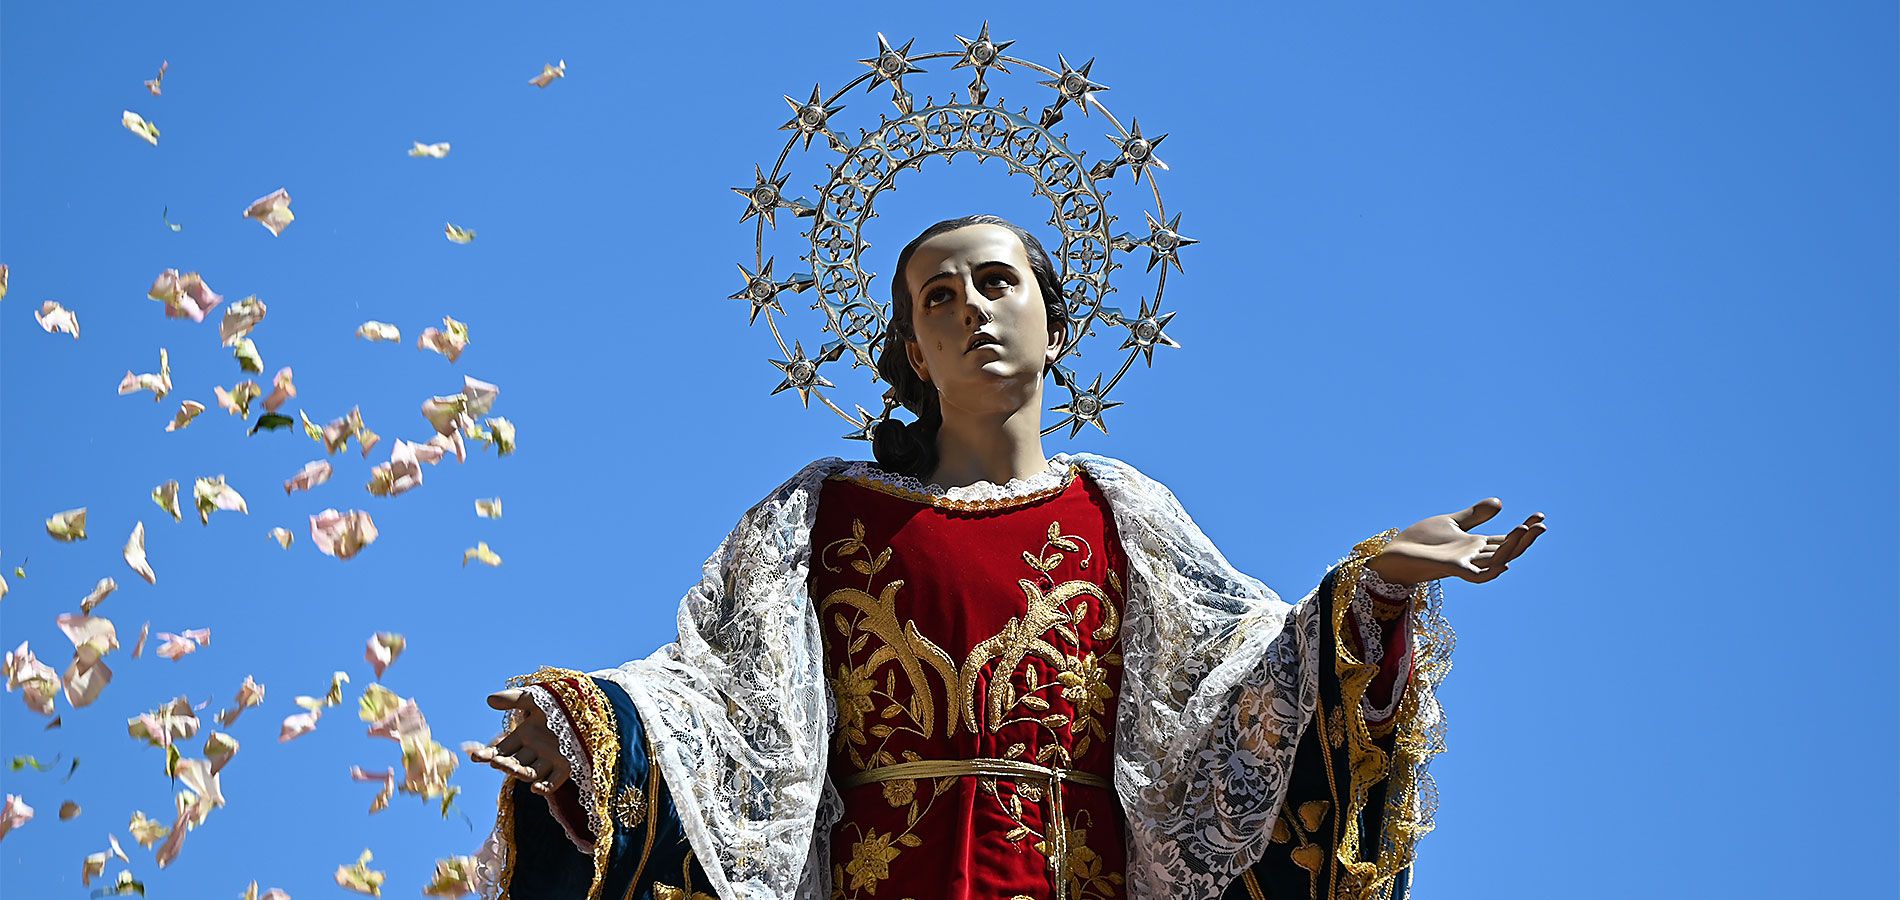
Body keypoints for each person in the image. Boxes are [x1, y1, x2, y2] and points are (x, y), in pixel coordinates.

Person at [467, 215, 1546, 900]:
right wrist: (591, 727)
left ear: (1053, 326)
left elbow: (1240, 708)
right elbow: (716, 703)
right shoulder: (820, 513)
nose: (971, 307)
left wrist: (1374, 589)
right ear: (910, 351)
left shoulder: (1122, 513)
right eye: (938, 297)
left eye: (996, 283)